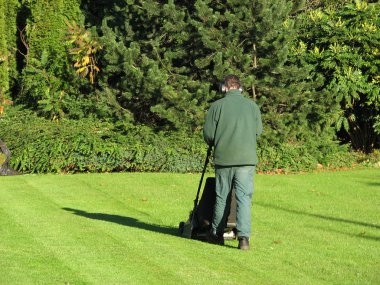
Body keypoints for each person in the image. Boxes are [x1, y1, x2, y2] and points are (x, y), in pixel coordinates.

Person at [203, 74, 263, 250]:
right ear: (240, 88)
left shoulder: (217, 106)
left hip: (224, 159)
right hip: (246, 160)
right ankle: (243, 238)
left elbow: (208, 135)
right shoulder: (252, 106)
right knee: (244, 198)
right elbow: (258, 131)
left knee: (222, 197)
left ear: (224, 88)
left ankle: (217, 234)